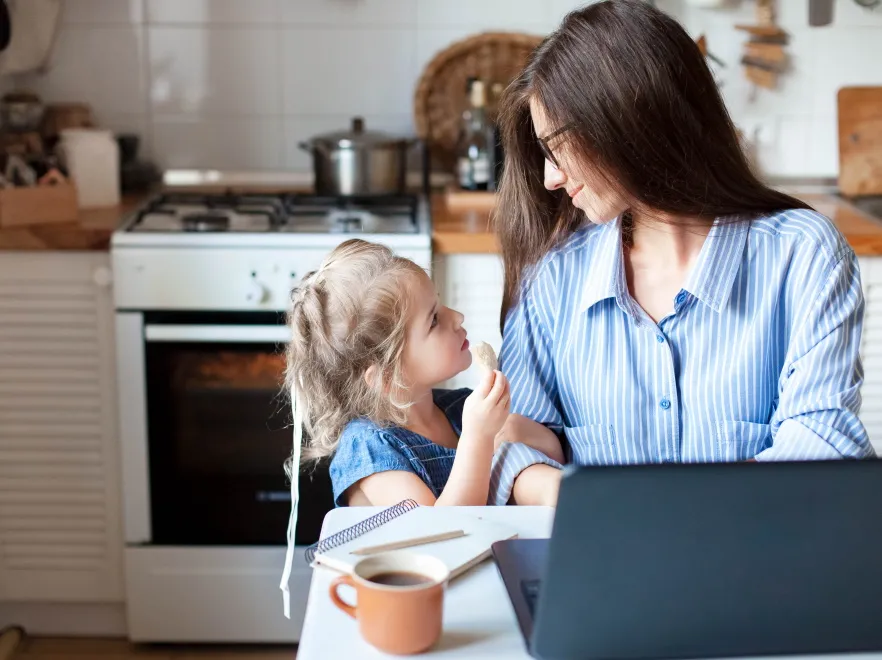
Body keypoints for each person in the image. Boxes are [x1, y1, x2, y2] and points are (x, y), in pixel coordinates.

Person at [487, 0, 876, 505]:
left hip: (757, 551)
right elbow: (511, 447)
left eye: (558, 145)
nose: (550, 178)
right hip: (600, 550)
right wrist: (633, 510)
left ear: (629, 121)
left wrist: (647, 509)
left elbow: (822, 447)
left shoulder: (803, 255)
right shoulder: (552, 276)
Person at [283, 238, 563, 509]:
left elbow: (554, 454)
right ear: (387, 376)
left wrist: (516, 428)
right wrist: (478, 437)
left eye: (439, 303)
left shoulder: (459, 408)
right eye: (434, 320)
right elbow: (437, 530)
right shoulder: (369, 448)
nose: (457, 317)